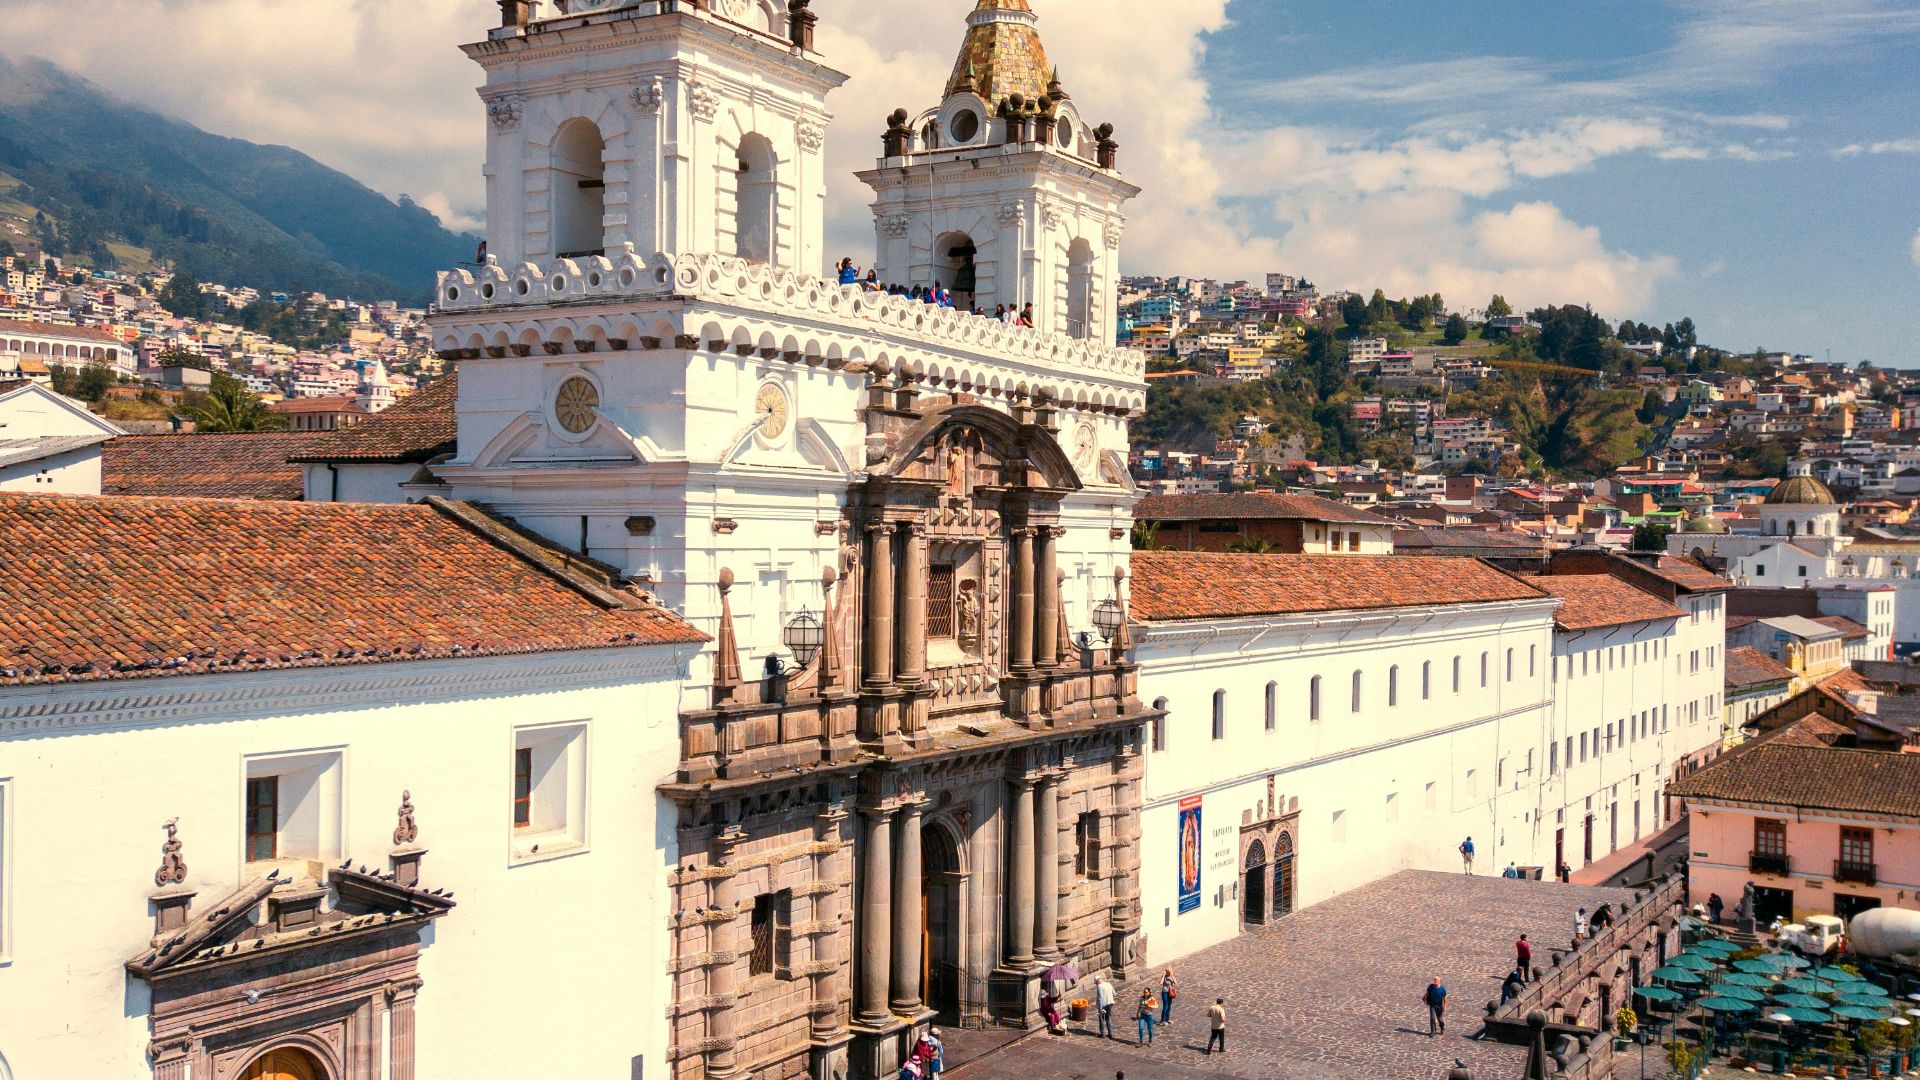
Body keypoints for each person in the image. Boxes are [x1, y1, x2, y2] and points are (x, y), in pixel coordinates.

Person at [1095, 974, 1116, 1039]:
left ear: (1097, 981)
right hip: (1110, 1004)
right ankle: (1110, 1033)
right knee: (1108, 1018)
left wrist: (1100, 1007)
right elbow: (1114, 994)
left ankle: (1103, 1034)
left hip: (1103, 1005)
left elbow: (1100, 998)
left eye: (1095, 983)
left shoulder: (1099, 986)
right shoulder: (1108, 984)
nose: (1096, 984)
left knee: (1102, 1019)